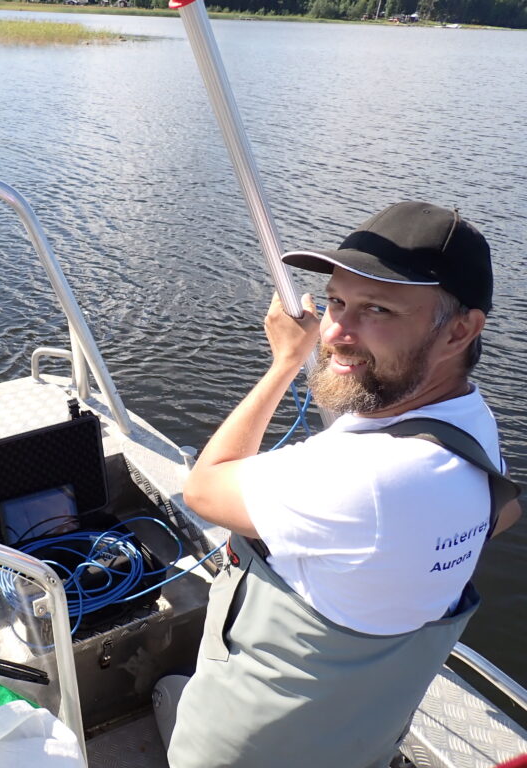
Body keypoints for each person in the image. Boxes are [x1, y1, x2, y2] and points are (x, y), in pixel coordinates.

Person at [164, 202, 521, 768]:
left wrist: (285, 363)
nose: (334, 332)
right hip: (360, 742)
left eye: (377, 309)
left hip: (241, 749)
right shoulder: (472, 426)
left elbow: (204, 489)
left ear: (460, 331)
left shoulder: (369, 483)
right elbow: (504, 515)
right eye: (335, 301)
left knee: (167, 693)